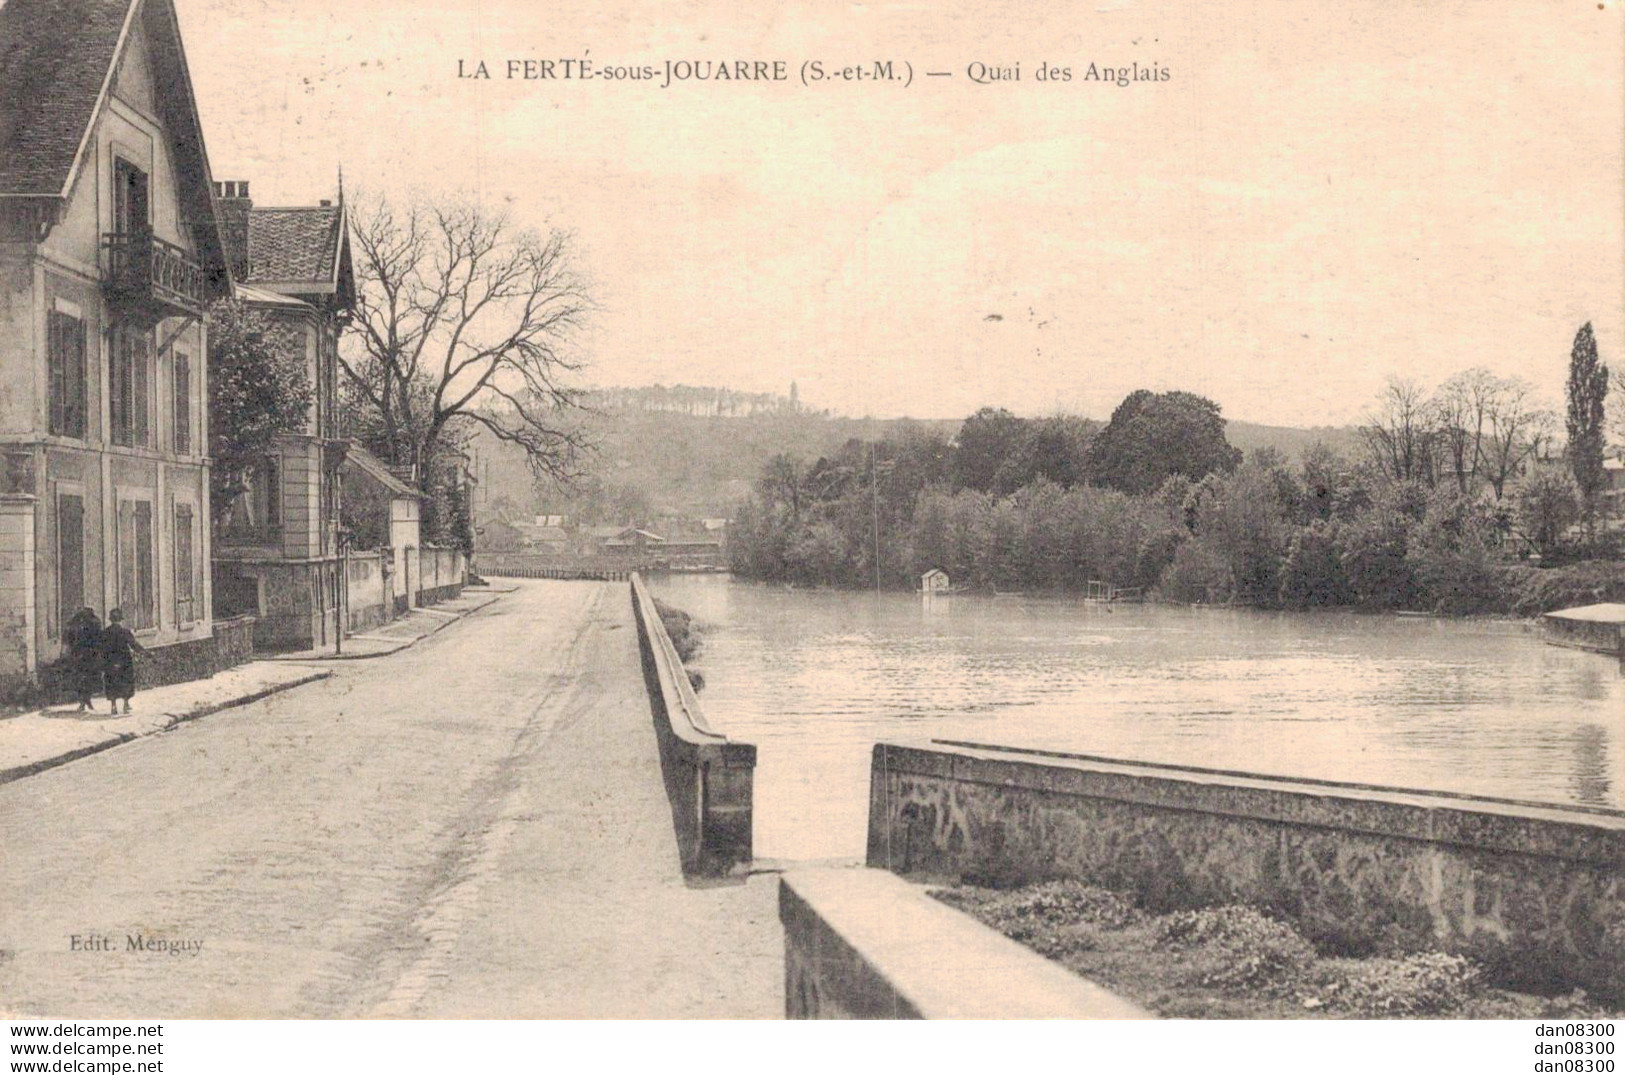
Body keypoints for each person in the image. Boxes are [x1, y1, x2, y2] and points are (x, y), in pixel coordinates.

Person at [100, 608, 146, 714]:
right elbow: (134, 645)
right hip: (124, 661)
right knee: (126, 682)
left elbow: (101, 648)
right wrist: (145, 653)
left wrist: (103, 663)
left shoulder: (105, 632)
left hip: (110, 661)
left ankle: (113, 706)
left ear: (111, 620)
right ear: (120, 620)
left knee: (111, 683)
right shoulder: (125, 632)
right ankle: (125, 704)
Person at [62, 606, 104, 713]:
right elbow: (99, 639)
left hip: (81, 655)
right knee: (86, 678)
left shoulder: (75, 624)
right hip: (88, 655)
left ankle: (84, 701)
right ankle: (85, 700)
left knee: (82, 678)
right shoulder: (94, 623)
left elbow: (68, 640)